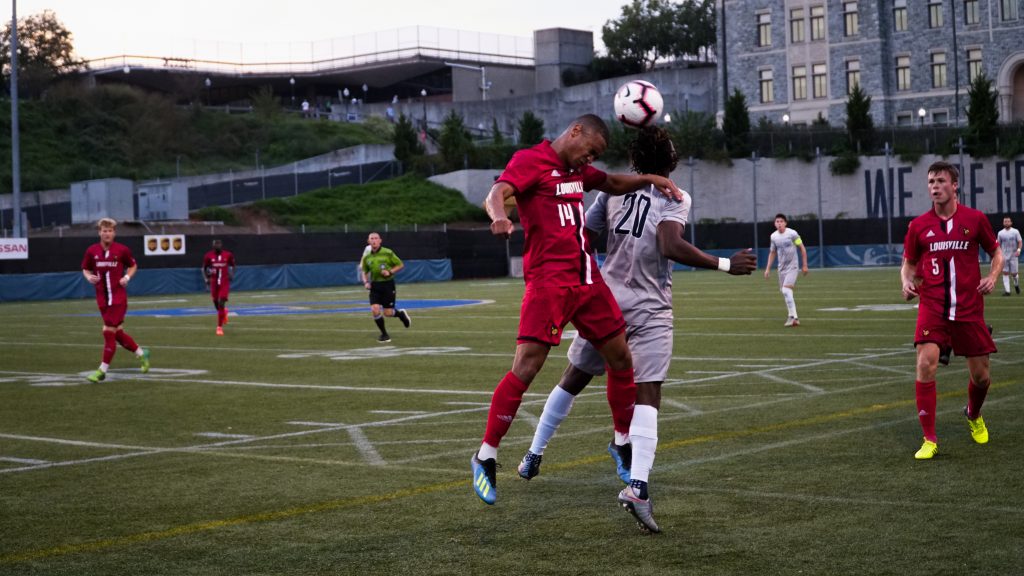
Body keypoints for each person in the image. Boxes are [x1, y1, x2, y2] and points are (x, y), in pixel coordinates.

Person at [515, 126, 757, 532]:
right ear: (669, 160)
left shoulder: (613, 190)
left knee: (573, 377)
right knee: (648, 390)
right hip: (649, 305)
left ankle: (534, 454)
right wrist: (725, 264)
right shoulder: (674, 195)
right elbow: (669, 245)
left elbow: (585, 234)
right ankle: (638, 486)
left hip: (606, 299)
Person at [470, 114, 684, 506]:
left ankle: (621, 441)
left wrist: (650, 179)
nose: (590, 161)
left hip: (588, 282)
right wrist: (500, 217)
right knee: (527, 367)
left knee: (622, 357)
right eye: (591, 151)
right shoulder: (531, 161)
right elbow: (497, 191)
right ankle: (486, 454)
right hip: (549, 285)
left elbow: (613, 182)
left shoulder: (577, 171)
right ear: (575, 132)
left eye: (596, 156)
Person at [900, 161, 1003, 460]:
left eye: (941, 180)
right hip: (932, 306)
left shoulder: (975, 219)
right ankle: (929, 439)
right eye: (931, 181)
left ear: (954, 185)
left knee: (982, 377)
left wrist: (993, 277)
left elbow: (995, 252)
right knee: (925, 364)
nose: (934, 186)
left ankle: (973, 413)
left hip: (969, 308)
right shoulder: (918, 226)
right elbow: (908, 264)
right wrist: (906, 282)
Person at [80, 218, 150, 382]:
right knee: (117, 333)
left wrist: (127, 277)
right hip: (102, 299)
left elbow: (133, 265)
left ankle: (102, 371)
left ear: (114, 233)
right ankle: (141, 353)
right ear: (99, 232)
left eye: (110, 230)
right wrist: (89, 276)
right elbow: (85, 268)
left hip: (118, 298)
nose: (107, 233)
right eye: (104, 230)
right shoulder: (92, 251)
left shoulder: (122, 250)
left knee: (108, 332)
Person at [361, 232, 411, 343]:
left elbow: (400, 264)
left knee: (388, 313)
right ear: (368, 242)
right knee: (375, 309)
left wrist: (390, 271)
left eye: (376, 238)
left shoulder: (387, 252)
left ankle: (401, 314)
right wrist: (365, 282)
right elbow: (364, 271)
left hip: (388, 285)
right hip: (375, 286)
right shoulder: (367, 257)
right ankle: (384, 334)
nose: (374, 240)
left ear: (380, 240)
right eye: (372, 239)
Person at [763, 213, 809, 326]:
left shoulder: (792, 234)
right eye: (777, 222)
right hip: (781, 268)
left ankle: (794, 317)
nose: (779, 223)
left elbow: (802, 249)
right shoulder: (773, 237)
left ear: (785, 223)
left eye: (781, 221)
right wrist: (767, 269)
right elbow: (773, 252)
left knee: (785, 290)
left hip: (793, 266)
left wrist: (805, 265)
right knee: (786, 292)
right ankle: (793, 317)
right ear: (774, 224)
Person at [202, 239, 236, 336]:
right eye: (215, 244)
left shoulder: (228, 255)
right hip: (214, 282)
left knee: (221, 302)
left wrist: (232, 274)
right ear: (213, 246)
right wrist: (206, 278)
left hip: (224, 282)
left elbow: (233, 265)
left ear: (221, 245)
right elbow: (204, 268)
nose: (217, 245)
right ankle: (224, 312)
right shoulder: (208, 256)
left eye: (219, 243)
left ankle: (219, 327)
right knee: (216, 303)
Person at [997, 216, 1022, 296]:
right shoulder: (1000, 233)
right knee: (1005, 273)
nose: (1006, 223)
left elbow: (1020, 242)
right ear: (1003, 223)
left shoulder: (1015, 231)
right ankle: (1007, 291)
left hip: (1013, 255)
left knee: (1014, 274)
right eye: (1005, 221)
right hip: (1004, 256)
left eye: (1008, 221)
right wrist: (998, 254)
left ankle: (1016, 285)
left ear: (1011, 222)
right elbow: (998, 245)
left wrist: (1018, 250)